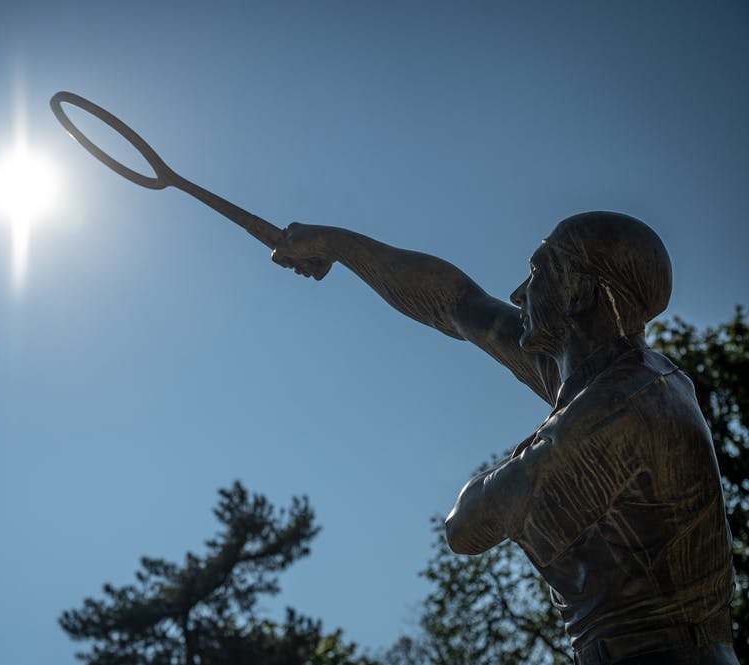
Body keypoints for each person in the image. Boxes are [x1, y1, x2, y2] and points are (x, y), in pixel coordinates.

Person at [271, 211, 738, 665]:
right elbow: (456, 304)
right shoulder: (603, 373)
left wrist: (515, 462)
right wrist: (335, 244)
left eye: (537, 273)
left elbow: (468, 526)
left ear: (578, 292)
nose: (518, 294)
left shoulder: (624, 404)